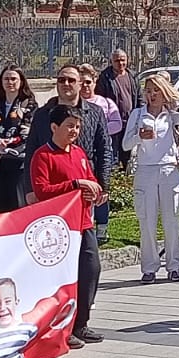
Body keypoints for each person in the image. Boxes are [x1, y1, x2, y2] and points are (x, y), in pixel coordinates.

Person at [28, 103, 107, 348]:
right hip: (58, 230)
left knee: (90, 270)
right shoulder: (43, 156)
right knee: (65, 278)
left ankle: (81, 323)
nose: (74, 131)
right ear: (54, 127)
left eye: (77, 126)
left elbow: (91, 181)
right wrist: (75, 185)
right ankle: (64, 326)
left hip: (83, 223)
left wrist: (96, 192)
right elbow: (42, 191)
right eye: (69, 126)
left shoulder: (79, 153)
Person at [25, 64, 114, 239]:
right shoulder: (42, 114)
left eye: (71, 80)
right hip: (53, 189)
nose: (66, 83)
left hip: (84, 188)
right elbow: (31, 151)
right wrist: (30, 189)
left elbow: (104, 150)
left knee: (82, 239)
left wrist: (103, 186)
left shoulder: (95, 112)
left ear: (80, 84)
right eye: (61, 80)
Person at [125, 72, 179, 283]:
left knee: (171, 219)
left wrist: (176, 98)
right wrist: (140, 136)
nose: (152, 95)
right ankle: (149, 267)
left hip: (168, 170)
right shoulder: (138, 114)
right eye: (148, 91)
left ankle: (174, 265)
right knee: (147, 220)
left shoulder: (171, 113)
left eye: (156, 90)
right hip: (146, 171)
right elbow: (125, 144)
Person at [0, 65, 36, 213]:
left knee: (18, 204)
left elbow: (27, 132)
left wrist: (5, 144)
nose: (9, 82)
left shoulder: (29, 104)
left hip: (17, 163)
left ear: (21, 81)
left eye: (13, 79)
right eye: (6, 79)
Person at [95, 50, 138, 169]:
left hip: (130, 123)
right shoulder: (105, 78)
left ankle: (126, 180)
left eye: (123, 60)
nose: (120, 63)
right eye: (117, 60)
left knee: (128, 156)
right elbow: (100, 99)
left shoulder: (132, 76)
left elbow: (139, 97)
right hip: (113, 124)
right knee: (113, 156)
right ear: (111, 61)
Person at [79, 63, 123, 174]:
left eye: (88, 82)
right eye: (81, 82)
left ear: (94, 82)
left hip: (102, 152)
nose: (85, 85)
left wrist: (97, 130)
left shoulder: (106, 102)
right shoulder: (73, 104)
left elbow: (117, 124)